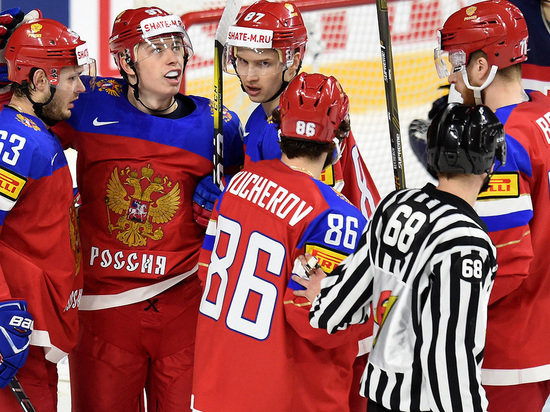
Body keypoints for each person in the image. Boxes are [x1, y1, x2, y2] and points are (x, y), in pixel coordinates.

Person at [47, 6, 244, 412]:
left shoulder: (218, 125)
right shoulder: (89, 102)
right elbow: (25, 124)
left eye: (176, 47)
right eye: (157, 49)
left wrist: (229, 200)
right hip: (103, 311)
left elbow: (253, 199)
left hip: (183, 307)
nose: (174, 58)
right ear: (126, 62)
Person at [294, 102, 505, 412]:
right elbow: (450, 354)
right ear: (489, 164)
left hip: (378, 399)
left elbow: (335, 309)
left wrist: (325, 294)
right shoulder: (468, 243)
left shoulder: (394, 204)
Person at [192, 72, 368, 412]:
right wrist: (378, 305)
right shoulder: (338, 217)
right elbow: (318, 321)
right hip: (288, 396)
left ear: (278, 127)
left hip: (216, 388)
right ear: (338, 137)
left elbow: (205, 271)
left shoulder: (237, 185)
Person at [435, 1, 550, 410]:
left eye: (455, 62)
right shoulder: (542, 108)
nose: (451, 76)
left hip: (510, 343)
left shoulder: (501, 143)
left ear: (481, 67)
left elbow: (506, 263)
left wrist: (440, 312)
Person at [0, 16, 96, 411]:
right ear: (40, 81)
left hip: (35, 330)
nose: (81, 88)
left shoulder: (38, 134)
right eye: (72, 78)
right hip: (17, 334)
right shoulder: (20, 142)